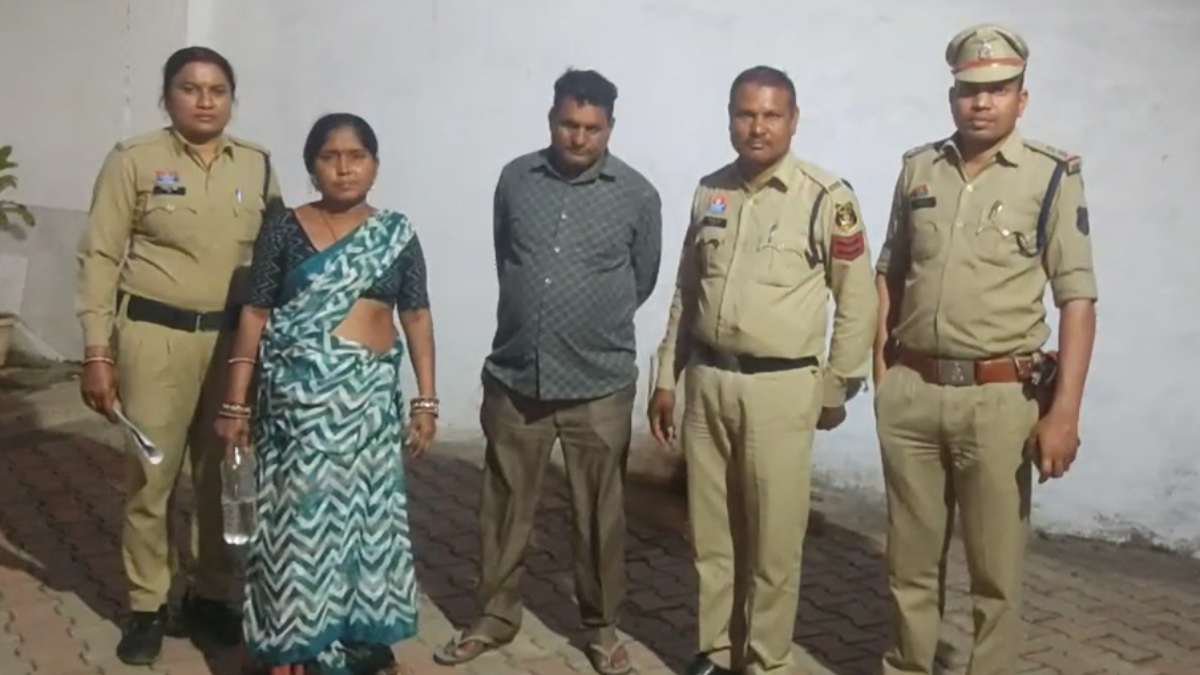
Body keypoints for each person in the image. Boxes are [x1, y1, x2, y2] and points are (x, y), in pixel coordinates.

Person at [873, 25, 1098, 675]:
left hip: (999, 400)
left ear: (1021, 99)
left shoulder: (1051, 176)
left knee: (995, 576)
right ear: (953, 95)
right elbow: (890, 274)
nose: (981, 102)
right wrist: (883, 373)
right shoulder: (919, 169)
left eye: (998, 89)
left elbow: (1077, 300)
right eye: (970, 90)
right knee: (909, 566)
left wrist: (1064, 413)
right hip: (914, 395)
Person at [647, 65, 877, 675]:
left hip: (782, 388)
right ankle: (715, 651)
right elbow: (686, 292)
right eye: (746, 114)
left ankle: (767, 660)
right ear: (730, 119)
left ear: (793, 121)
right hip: (709, 382)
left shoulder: (825, 197)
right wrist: (667, 376)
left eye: (771, 115)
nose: (757, 127)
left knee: (774, 542)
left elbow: (857, 299)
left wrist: (836, 386)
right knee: (711, 534)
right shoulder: (710, 192)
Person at [434, 69, 661, 675]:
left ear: (610, 127)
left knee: (599, 516)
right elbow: (505, 255)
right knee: (504, 507)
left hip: (599, 382)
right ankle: (494, 616)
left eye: (592, 128)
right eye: (568, 124)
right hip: (518, 376)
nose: (578, 138)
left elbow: (642, 278)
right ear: (551, 118)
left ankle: (602, 628)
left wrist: (587, 319)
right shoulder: (516, 179)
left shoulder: (637, 195)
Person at [76, 45, 282, 665]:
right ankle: (148, 604)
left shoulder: (258, 166)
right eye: (190, 89)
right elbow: (101, 256)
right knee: (150, 476)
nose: (204, 100)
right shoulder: (134, 160)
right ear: (167, 97)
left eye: (217, 90)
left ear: (232, 99)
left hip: (231, 347)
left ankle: (213, 596)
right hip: (154, 338)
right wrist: (96, 350)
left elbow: (278, 259)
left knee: (224, 476)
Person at [213, 113, 435, 675]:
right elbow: (255, 314)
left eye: (356, 156)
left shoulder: (396, 234)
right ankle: (294, 642)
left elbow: (415, 315)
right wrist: (236, 403)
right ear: (312, 167)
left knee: (365, 522)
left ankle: (356, 635)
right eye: (329, 157)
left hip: (367, 409)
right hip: (298, 408)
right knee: (296, 523)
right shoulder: (285, 229)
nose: (344, 167)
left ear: (375, 165)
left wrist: (426, 401)